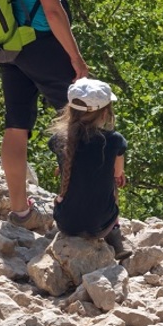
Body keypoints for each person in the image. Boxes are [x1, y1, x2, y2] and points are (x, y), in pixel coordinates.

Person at [0, 0, 90, 232]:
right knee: (82, 123)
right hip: (41, 44)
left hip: (10, 45)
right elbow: (53, 10)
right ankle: (83, 215)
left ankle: (20, 211)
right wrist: (77, 59)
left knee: (16, 125)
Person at [47, 78, 132, 259]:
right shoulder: (115, 140)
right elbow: (117, 174)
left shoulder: (58, 140)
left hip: (66, 224)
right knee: (113, 183)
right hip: (101, 224)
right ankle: (115, 236)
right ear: (104, 114)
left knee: (69, 176)